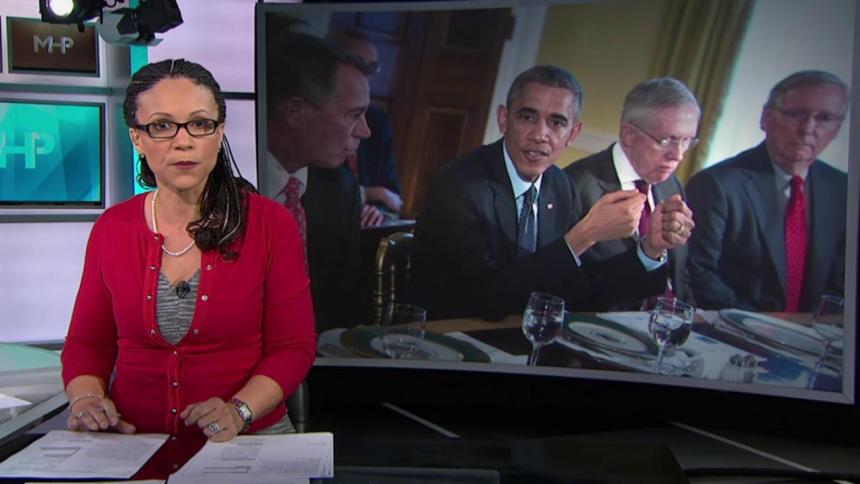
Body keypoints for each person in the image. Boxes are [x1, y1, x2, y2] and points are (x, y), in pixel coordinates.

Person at [61, 59, 316, 441]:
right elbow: (87, 343)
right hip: (135, 441)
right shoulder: (112, 229)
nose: (184, 141)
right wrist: (87, 401)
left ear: (219, 132)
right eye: (162, 126)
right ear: (137, 138)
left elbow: (294, 346)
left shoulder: (270, 224)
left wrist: (239, 411)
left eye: (199, 124)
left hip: (246, 440)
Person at [411, 65, 694, 320]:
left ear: (573, 133)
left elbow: (584, 288)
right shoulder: (458, 185)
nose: (539, 134)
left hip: (525, 340)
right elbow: (487, 297)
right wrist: (585, 234)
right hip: (453, 335)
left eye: (557, 123)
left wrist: (650, 249)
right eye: (527, 117)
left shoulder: (559, 185)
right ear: (504, 119)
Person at [686, 70, 848, 312]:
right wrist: (765, 324)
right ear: (766, 118)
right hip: (733, 327)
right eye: (796, 114)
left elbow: (843, 281)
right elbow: (697, 273)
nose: (807, 129)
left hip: (814, 331)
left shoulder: (843, 191)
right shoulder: (716, 185)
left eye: (824, 118)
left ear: (837, 128)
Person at [262, 32, 375, 331]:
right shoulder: (220, 183)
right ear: (294, 113)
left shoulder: (341, 189)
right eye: (353, 115)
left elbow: (343, 305)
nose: (365, 132)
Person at [565, 78, 700, 308]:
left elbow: (679, 276)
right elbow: (577, 290)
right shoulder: (575, 186)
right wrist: (648, 252)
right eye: (667, 140)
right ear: (629, 135)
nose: (678, 155)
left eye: (686, 141)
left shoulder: (671, 185)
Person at [328, 28, 404, 219]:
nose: (364, 131)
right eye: (360, 65)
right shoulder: (320, 114)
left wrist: (377, 211)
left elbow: (394, 199)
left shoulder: (377, 122)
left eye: (373, 68)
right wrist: (369, 194)